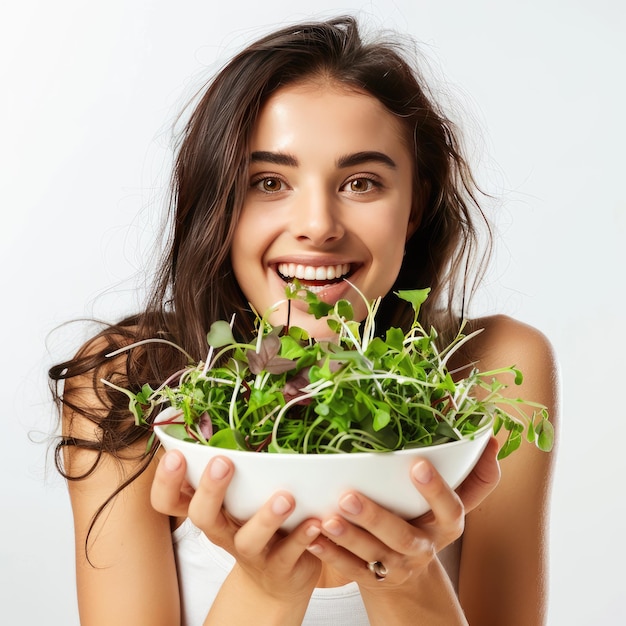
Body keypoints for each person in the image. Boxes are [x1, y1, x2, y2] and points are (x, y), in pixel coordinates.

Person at [49, 16, 559, 625]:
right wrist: (268, 590)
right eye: (269, 182)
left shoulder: (496, 367)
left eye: (362, 182)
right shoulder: (122, 381)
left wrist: (404, 579)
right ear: (220, 206)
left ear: (416, 203)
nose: (318, 224)